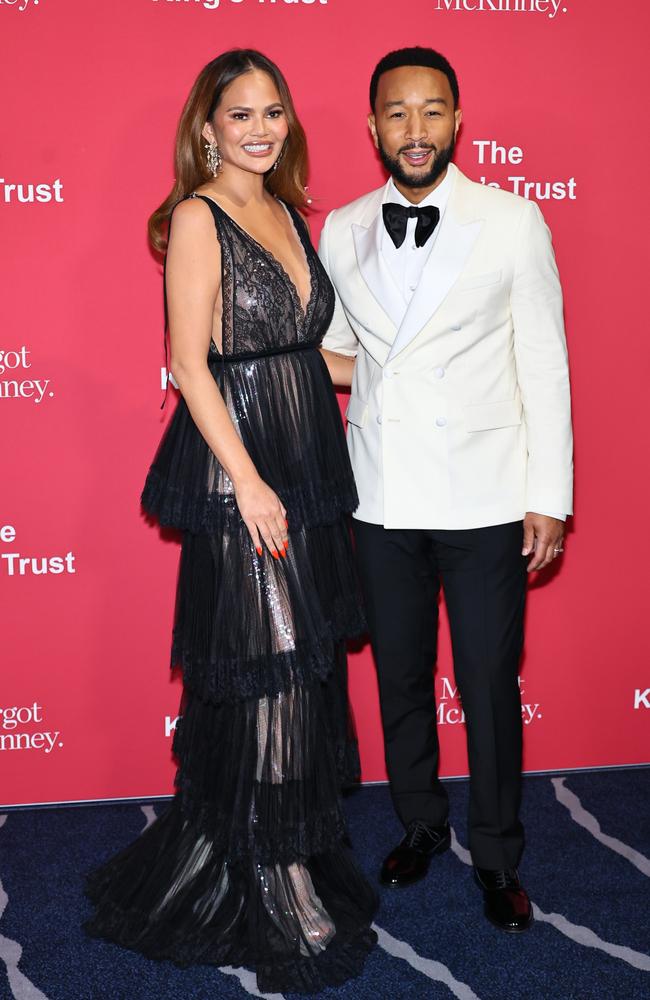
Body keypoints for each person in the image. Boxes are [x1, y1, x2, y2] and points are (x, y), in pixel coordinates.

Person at [84, 49, 377, 993]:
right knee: (271, 681)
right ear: (206, 126)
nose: (259, 128)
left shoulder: (289, 213)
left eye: (273, 112)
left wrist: (398, 374)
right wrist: (248, 481)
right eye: (239, 114)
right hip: (240, 473)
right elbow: (190, 362)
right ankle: (274, 873)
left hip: (305, 465)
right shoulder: (200, 218)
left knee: (303, 673)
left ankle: (280, 852)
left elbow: (302, 355)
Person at [319, 46, 573, 933]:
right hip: (382, 493)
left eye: (432, 112)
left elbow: (543, 362)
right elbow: (350, 356)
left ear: (458, 122)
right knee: (399, 677)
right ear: (373, 126)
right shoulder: (342, 227)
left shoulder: (511, 222)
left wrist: (550, 495)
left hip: (485, 495)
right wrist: (271, 348)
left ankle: (499, 854)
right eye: (397, 113)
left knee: (489, 683)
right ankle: (422, 823)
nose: (414, 130)